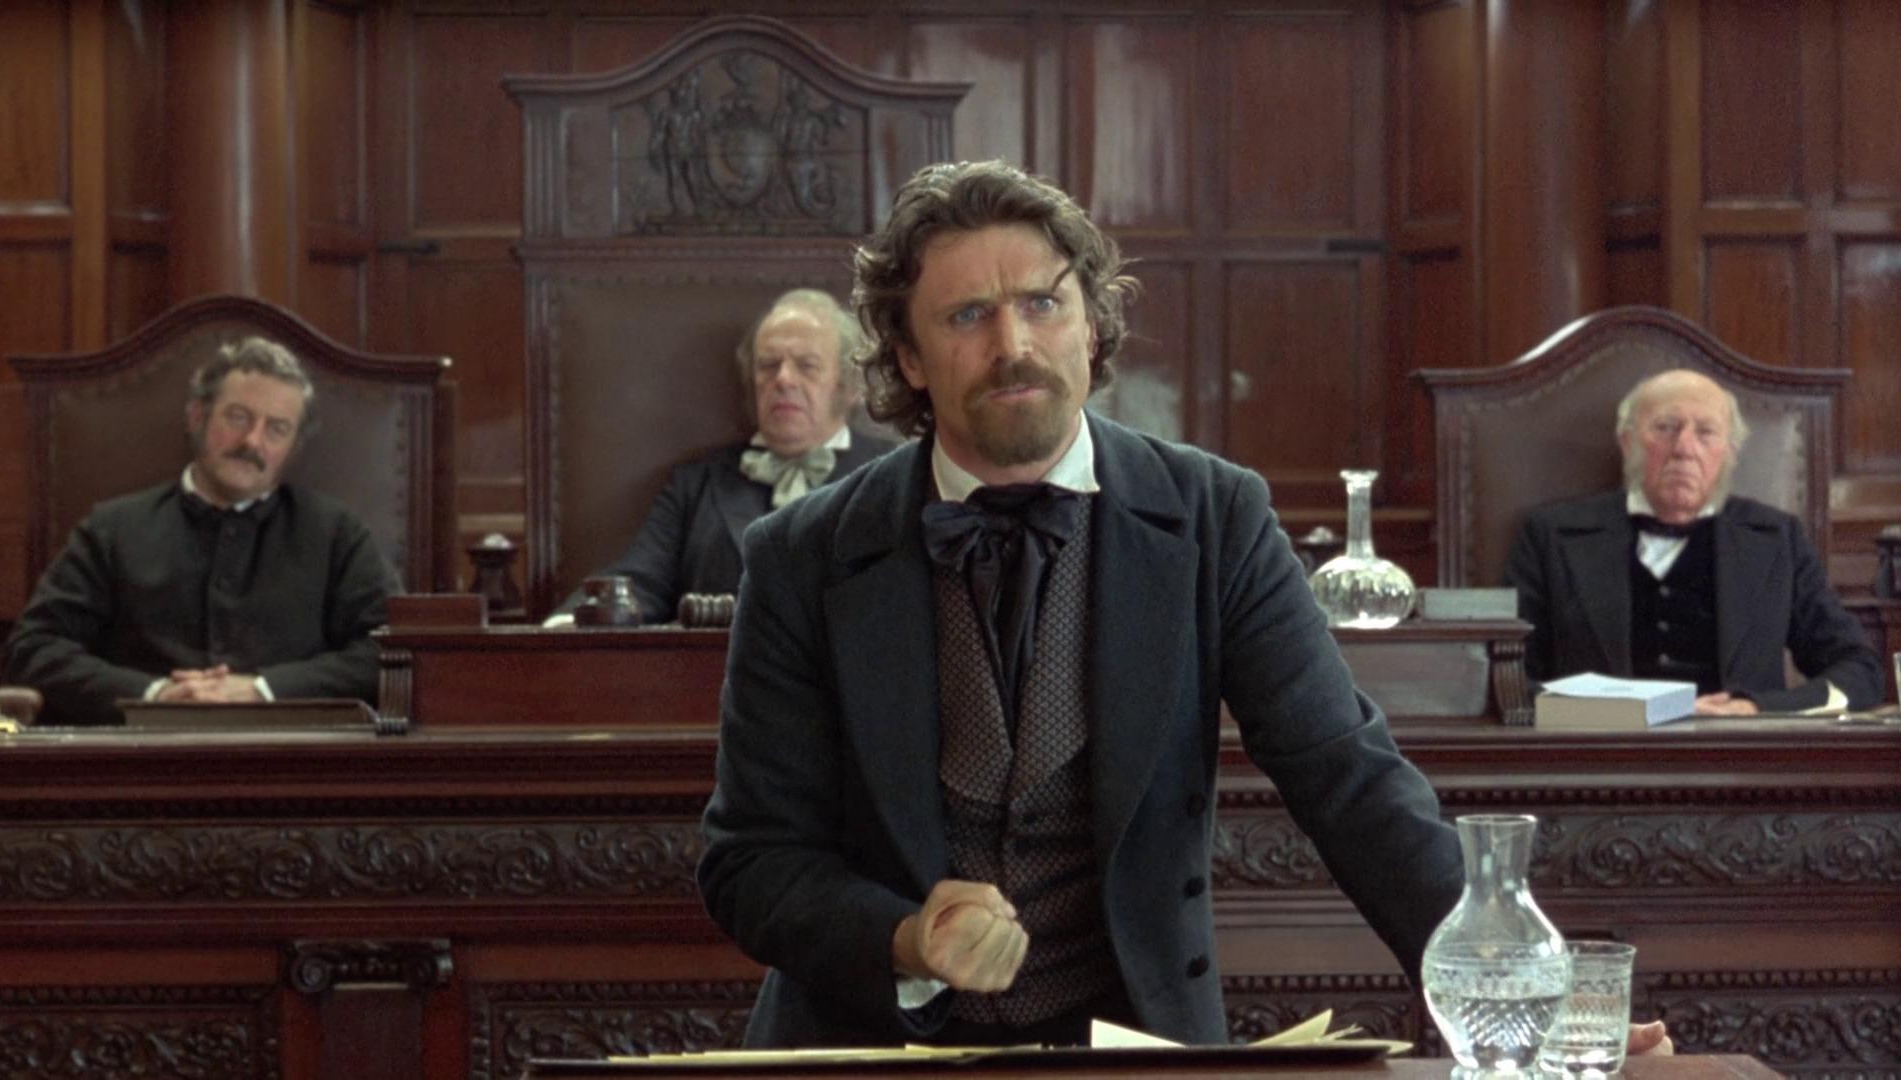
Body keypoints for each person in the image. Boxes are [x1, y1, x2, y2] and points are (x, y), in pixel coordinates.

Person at [700, 161, 1685, 1053]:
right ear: (908, 357)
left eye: (1043, 304)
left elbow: (1349, 780)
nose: (1014, 345)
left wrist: (1530, 1003)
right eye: (967, 317)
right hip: (864, 1051)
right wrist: (908, 938)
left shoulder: (1216, 515)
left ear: (1092, 325)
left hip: (1136, 1050)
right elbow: (752, 861)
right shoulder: (801, 555)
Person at [1, 337, 398, 726]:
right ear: (197, 416)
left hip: (291, 756)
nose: (252, 441)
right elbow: (33, 649)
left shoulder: (337, 535)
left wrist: (264, 690)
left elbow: (393, 650)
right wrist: (153, 695)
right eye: (238, 417)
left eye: (276, 429)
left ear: (293, 446)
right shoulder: (112, 529)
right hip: (137, 755)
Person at [1503, 368, 1881, 715]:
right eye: (1665, 427)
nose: (1684, 448)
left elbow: (1859, 670)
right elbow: (1508, 676)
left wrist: (1758, 708)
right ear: (1628, 442)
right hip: (1601, 754)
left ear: (1729, 452)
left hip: (1741, 755)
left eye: (1705, 432)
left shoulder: (1777, 540)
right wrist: (1611, 714)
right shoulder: (1550, 536)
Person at [547, 289, 895, 625]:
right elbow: (638, 583)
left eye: (807, 366)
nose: (783, 379)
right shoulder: (696, 485)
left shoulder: (893, 475)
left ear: (849, 386)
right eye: (768, 365)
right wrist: (562, 631)